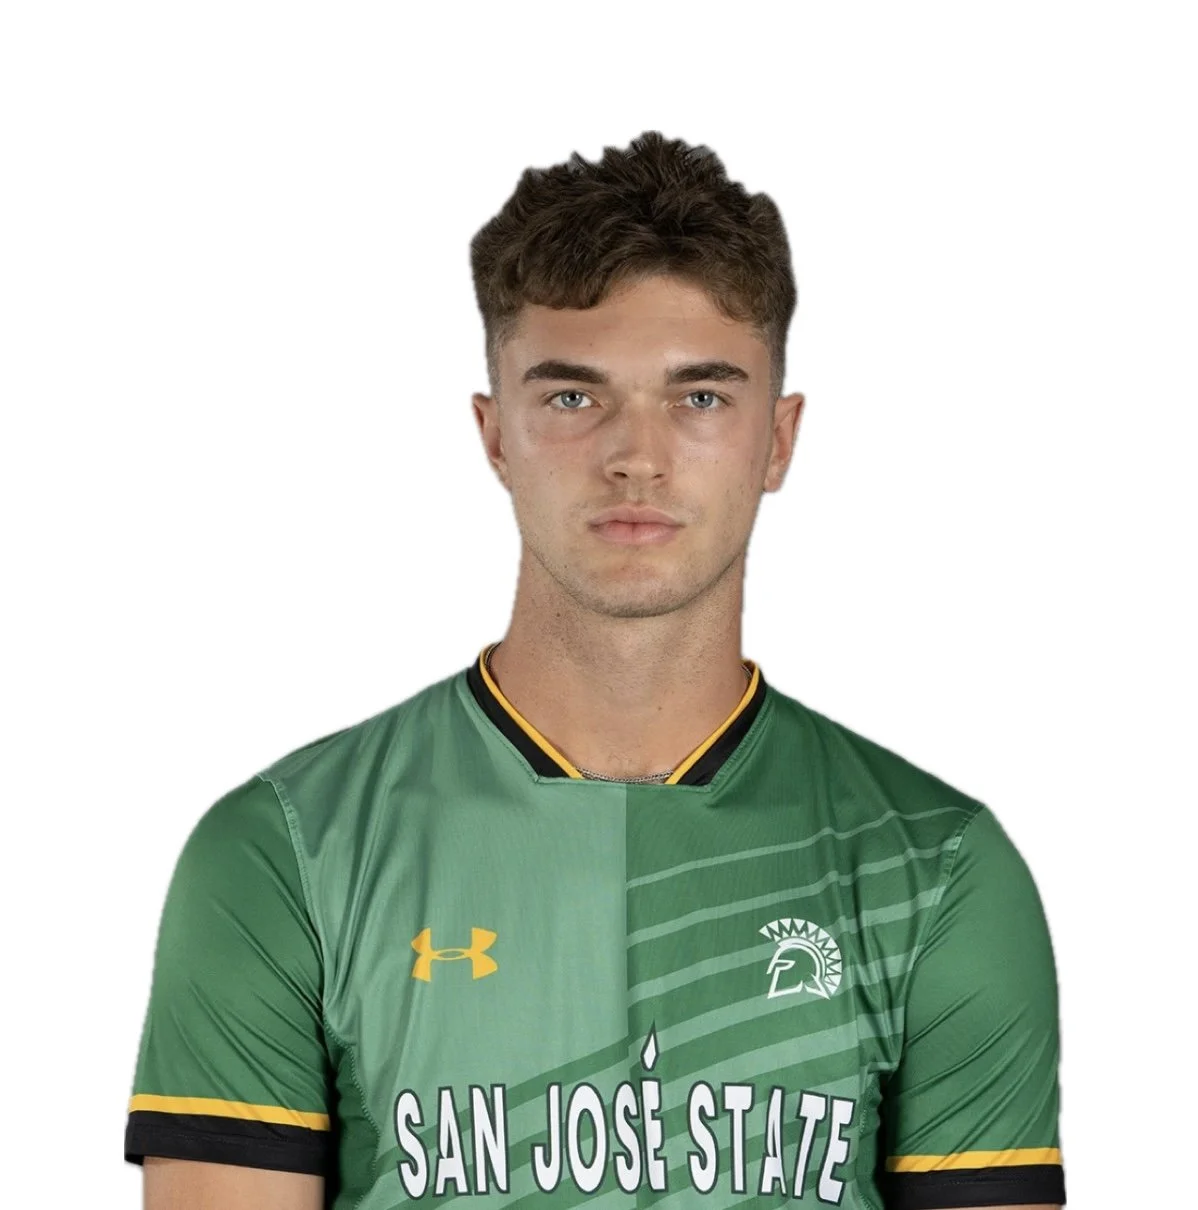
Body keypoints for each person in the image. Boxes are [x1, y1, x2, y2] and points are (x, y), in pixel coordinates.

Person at [124, 130, 1065, 1210]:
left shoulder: (936, 867)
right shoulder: (287, 852)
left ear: (778, 438)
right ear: (494, 434)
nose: (637, 455)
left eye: (700, 397)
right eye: (573, 398)